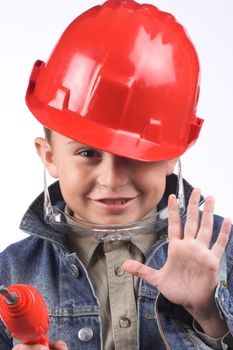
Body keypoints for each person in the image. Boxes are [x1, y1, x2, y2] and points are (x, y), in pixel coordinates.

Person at [0, 0, 232, 349]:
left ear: (172, 156)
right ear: (49, 156)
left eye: (135, 156)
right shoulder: (11, 272)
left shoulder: (224, 257)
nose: (111, 179)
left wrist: (207, 313)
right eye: (87, 153)